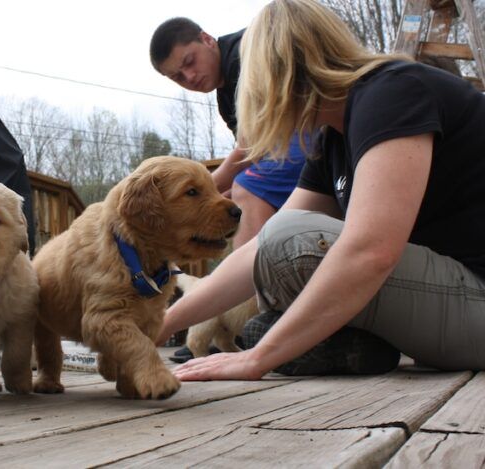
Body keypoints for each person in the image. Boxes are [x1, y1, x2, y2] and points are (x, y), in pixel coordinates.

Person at [156, 0, 485, 381]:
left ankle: (312, 339)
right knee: (277, 244)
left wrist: (257, 358)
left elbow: (370, 251)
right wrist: (158, 326)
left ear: (281, 72)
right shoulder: (332, 138)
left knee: (288, 241)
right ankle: (358, 347)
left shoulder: (392, 93)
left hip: (477, 298)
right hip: (453, 299)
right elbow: (257, 253)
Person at [150, 17, 307, 249]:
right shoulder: (225, 96)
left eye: (190, 62)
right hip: (297, 146)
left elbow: (252, 147)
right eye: (178, 77)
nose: (189, 77)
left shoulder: (246, 53)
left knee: (246, 190)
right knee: (231, 199)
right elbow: (254, 154)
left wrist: (202, 189)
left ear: (207, 39)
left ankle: (248, 284)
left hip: (324, 130)